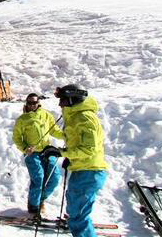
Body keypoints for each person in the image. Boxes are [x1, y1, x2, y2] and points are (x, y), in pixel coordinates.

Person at [41, 84, 108, 237]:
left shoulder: (85, 118)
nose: (60, 104)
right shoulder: (75, 117)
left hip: (89, 171)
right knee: (75, 214)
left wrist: (62, 152)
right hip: (82, 170)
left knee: (78, 217)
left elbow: (89, 149)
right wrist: (67, 156)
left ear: (73, 99)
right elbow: (71, 139)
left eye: (63, 100)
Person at [12, 93, 62, 216]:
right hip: (32, 153)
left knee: (54, 178)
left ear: (38, 103)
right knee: (38, 179)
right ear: (26, 103)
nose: (32, 105)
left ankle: (41, 200)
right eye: (29, 103)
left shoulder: (46, 115)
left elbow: (54, 130)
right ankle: (33, 206)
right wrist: (24, 148)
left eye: (34, 103)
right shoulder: (22, 120)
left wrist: (66, 136)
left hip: (47, 151)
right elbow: (17, 138)